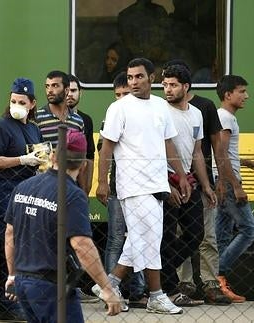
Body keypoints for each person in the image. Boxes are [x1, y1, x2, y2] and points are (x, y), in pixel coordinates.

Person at [95, 57, 190, 315]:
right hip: (133, 185)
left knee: (142, 239)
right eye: (130, 77)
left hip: (157, 183)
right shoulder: (119, 108)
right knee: (148, 240)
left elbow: (169, 144)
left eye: (138, 76)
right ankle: (156, 296)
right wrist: (103, 182)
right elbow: (106, 147)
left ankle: (109, 284)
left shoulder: (160, 106)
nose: (134, 82)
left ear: (152, 77)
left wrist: (180, 175)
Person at [4, 129, 122, 322]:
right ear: (84, 165)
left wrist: (12, 275)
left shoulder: (24, 186)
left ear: (52, 156)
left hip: (24, 282)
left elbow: (10, 234)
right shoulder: (72, 195)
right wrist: (107, 289)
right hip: (53, 287)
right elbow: (82, 245)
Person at [162, 59, 232, 305]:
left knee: (198, 233)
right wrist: (172, 180)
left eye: (172, 85)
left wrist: (206, 185)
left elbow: (197, 153)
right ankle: (172, 282)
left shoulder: (197, 113)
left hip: (189, 181)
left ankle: (169, 271)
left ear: (186, 86)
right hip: (165, 181)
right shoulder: (160, 110)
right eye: (165, 84)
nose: (167, 89)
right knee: (170, 235)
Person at [0, 77, 46, 321]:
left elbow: (39, 157)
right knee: (9, 248)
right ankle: (8, 305)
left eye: (22, 101)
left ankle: (22, 300)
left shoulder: (33, 128)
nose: (16, 105)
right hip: (6, 191)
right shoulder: (1, 126)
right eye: (13, 100)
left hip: (27, 193)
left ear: (32, 104)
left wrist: (43, 162)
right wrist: (21, 160)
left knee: (26, 248)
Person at [97, 71, 146, 307]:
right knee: (117, 240)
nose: (121, 98)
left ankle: (137, 291)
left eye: (125, 93)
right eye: (117, 94)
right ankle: (111, 293)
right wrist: (103, 182)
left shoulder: (145, 114)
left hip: (142, 188)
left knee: (138, 238)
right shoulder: (112, 117)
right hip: (118, 188)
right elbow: (103, 151)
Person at [215, 74, 254, 303]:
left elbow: (226, 154)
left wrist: (245, 162)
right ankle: (217, 274)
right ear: (228, 94)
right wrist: (236, 186)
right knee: (249, 229)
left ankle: (218, 284)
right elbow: (221, 155)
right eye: (242, 91)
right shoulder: (225, 118)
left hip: (226, 182)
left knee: (222, 235)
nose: (246, 96)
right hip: (230, 185)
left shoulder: (226, 117)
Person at [36, 70, 84, 147]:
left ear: (66, 90)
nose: (50, 90)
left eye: (55, 85)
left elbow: (80, 153)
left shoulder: (78, 120)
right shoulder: (37, 117)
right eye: (47, 86)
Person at [67, 74, 95, 195]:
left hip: (78, 185)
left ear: (80, 92)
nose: (70, 94)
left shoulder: (86, 120)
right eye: (67, 90)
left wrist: (86, 188)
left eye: (73, 90)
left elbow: (89, 156)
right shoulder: (48, 118)